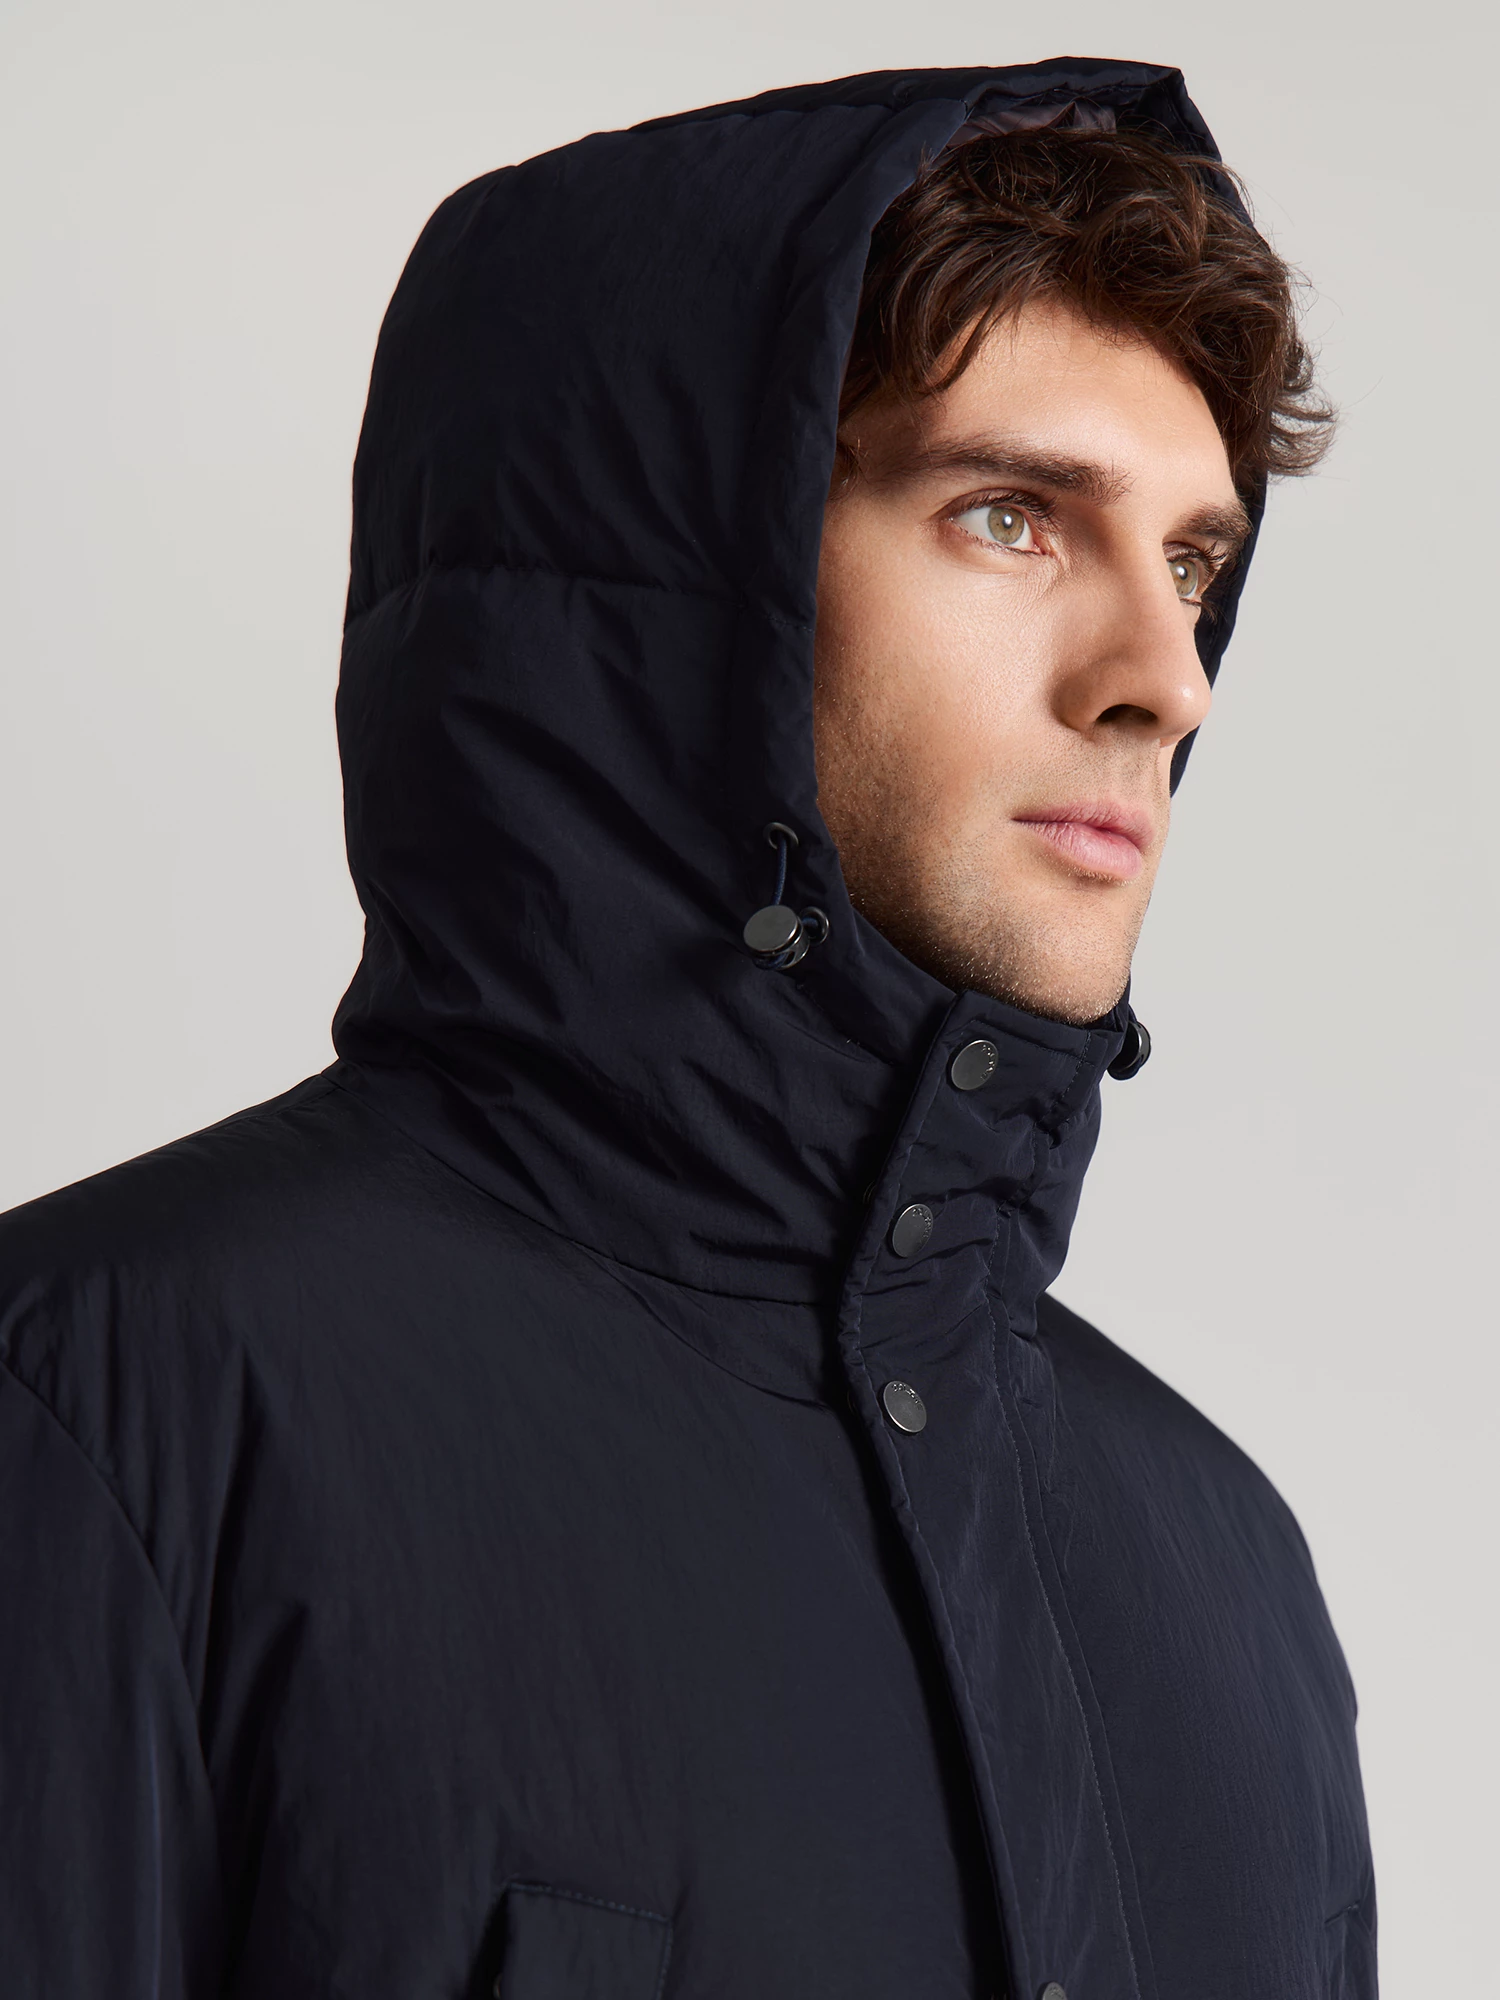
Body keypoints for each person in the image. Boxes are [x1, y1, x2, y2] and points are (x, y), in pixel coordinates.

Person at [0, 59, 1374, 2000]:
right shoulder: (109, 1411)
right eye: (1009, 517)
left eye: (1192, 563)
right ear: (682, 598)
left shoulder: (1231, 1582)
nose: (1166, 678)